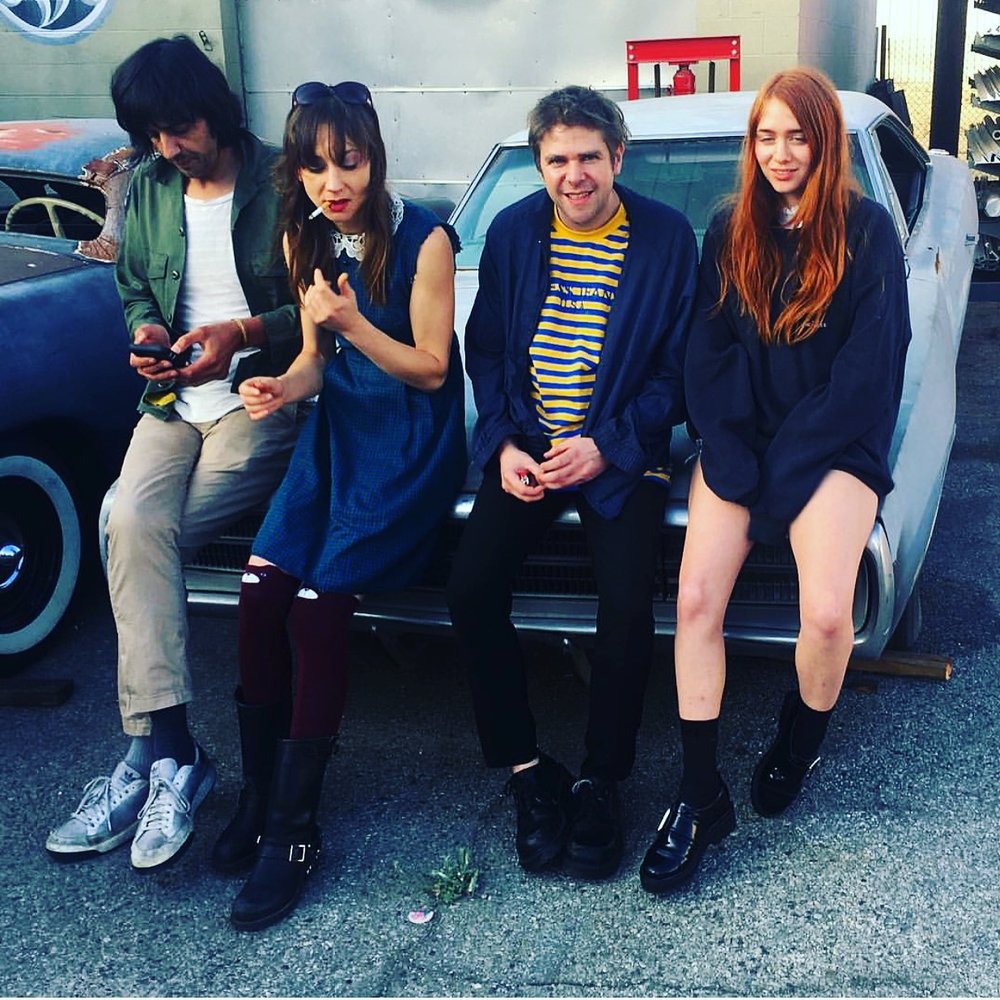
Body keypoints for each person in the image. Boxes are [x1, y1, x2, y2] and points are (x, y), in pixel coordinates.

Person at [639, 67, 912, 893]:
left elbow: (868, 375)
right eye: (767, 136)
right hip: (739, 447)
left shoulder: (865, 234)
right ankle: (698, 794)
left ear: (825, 142)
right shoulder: (730, 228)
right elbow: (707, 351)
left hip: (830, 448)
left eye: (799, 136)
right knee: (693, 604)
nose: (782, 152)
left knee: (828, 617)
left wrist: (782, 474)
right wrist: (727, 452)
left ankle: (800, 736)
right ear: (751, 145)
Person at [213, 80, 466, 931]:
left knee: (318, 612)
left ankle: (293, 832)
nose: (334, 181)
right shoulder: (307, 236)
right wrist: (280, 384)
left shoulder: (425, 239)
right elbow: (316, 365)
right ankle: (258, 798)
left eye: (348, 161)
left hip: (409, 445)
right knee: (258, 596)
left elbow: (432, 368)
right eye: (316, 165)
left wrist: (354, 325)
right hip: (336, 437)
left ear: (374, 155)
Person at [45, 35, 301, 870]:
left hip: (260, 398)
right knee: (128, 519)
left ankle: (155, 758)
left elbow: (323, 310)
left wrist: (243, 333)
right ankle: (169, 751)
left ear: (215, 108)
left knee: (134, 533)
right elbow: (134, 290)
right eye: (152, 134)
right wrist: (148, 334)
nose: (168, 147)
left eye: (180, 126)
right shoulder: (151, 188)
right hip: (171, 399)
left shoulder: (282, 181)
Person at [447, 85, 698, 881]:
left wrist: (608, 445)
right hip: (529, 450)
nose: (574, 174)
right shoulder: (516, 230)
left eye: (589, 156)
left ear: (617, 158)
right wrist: (503, 445)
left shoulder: (664, 241)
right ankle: (528, 770)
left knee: (626, 604)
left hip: (622, 455)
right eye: (557, 159)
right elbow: (483, 348)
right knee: (470, 589)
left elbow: (678, 373)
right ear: (540, 164)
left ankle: (601, 779)